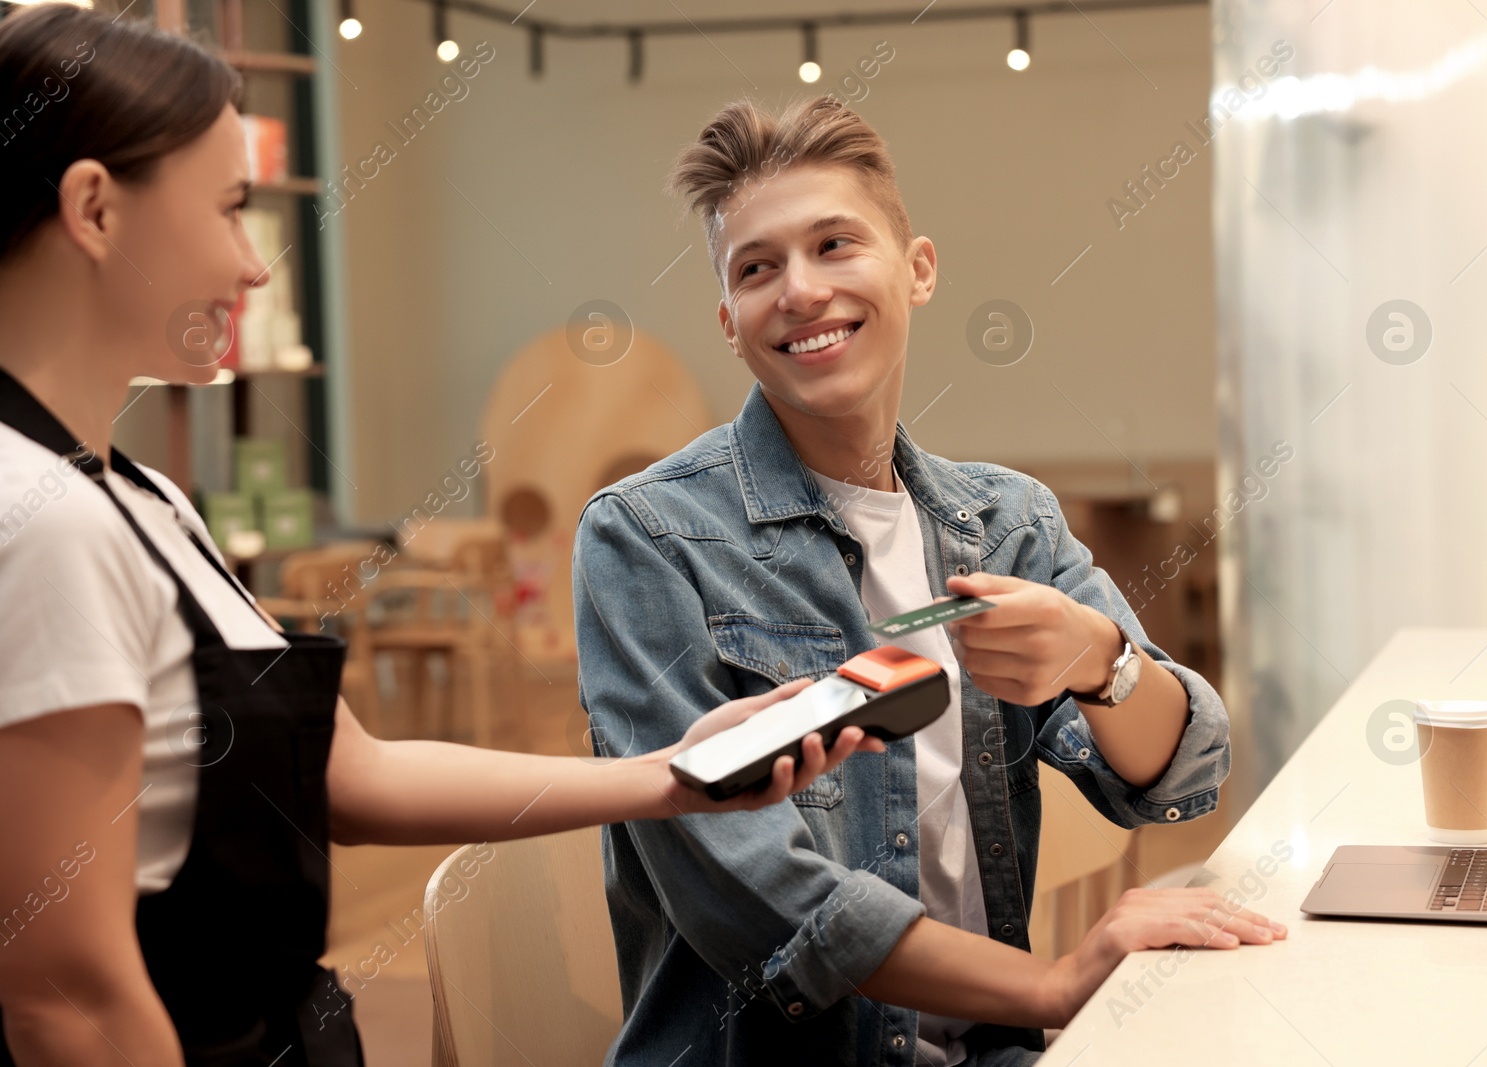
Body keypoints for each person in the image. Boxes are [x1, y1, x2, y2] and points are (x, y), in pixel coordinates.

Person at [0, 8, 879, 1066]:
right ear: (94, 208)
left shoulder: (138, 497)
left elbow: (345, 774)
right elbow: (68, 1000)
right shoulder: (34, 520)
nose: (257, 266)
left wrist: (671, 772)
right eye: (232, 209)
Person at [572, 95, 1288, 1067]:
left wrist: (1097, 658)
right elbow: (757, 896)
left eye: (834, 244)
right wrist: (1051, 982)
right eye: (756, 267)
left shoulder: (1005, 520)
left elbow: (1181, 771)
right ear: (729, 322)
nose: (798, 289)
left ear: (918, 270)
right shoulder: (645, 537)